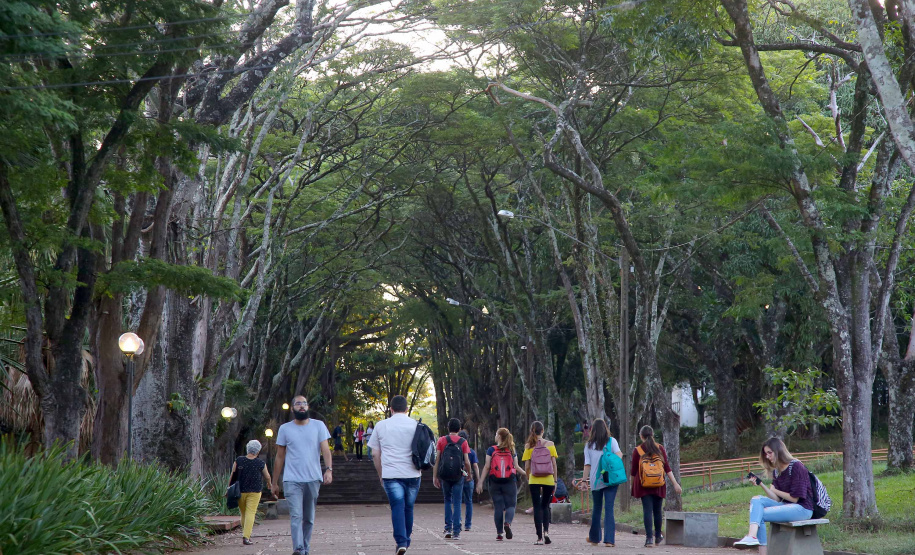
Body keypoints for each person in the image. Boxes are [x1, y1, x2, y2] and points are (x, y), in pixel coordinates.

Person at [271, 396, 333, 555]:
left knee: (309, 518)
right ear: (292, 409)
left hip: (313, 479)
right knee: (296, 515)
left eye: (304, 403)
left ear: (308, 407)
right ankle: (298, 548)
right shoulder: (285, 429)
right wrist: (274, 482)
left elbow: (325, 449)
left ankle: (305, 547)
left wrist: (329, 469)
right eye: (298, 404)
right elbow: (279, 456)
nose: (302, 406)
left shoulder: (318, 426)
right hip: (292, 480)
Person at [733, 437, 815, 553]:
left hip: (803, 509)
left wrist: (775, 490)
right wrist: (760, 483)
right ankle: (752, 536)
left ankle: (753, 539)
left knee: (759, 514)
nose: (767, 456)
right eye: (766, 454)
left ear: (778, 451)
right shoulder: (777, 471)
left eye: (769, 453)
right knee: (756, 500)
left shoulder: (797, 466)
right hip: (787, 505)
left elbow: (795, 499)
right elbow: (776, 499)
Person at [368, 395, 423, 555]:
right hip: (413, 473)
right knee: (409, 507)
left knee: (397, 506)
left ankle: (401, 541)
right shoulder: (416, 426)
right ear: (407, 409)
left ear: (390, 409)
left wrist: (381, 474)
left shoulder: (381, 425)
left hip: (391, 474)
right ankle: (407, 539)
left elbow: (375, 454)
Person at [630, 425, 682, 548]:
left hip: (643, 485)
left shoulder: (638, 450)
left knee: (647, 511)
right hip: (659, 484)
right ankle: (658, 537)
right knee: (657, 511)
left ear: (641, 436)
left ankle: (649, 539)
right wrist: (675, 484)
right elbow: (667, 468)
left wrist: (632, 485)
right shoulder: (660, 449)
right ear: (652, 435)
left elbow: (633, 471)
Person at [477, 427, 527, 541]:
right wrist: (526, 474)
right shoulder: (511, 450)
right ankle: (507, 523)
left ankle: (499, 533)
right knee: (511, 506)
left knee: (498, 507)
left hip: (494, 482)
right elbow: (516, 466)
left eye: (496, 434)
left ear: (499, 436)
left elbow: (487, 466)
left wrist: (480, 482)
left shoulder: (491, 450)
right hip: (509, 481)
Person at [583, 419, 623, 547]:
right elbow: (619, 456)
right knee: (609, 508)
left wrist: (584, 480)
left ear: (592, 430)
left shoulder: (589, 445)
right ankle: (609, 540)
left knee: (597, 508)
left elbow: (587, 465)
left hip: (596, 480)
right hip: (610, 478)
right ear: (605, 428)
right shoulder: (612, 441)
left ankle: (594, 538)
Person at [433, 417, 472, 540]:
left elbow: (437, 460)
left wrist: (435, 476)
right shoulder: (463, 442)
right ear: (459, 429)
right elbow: (467, 461)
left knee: (447, 500)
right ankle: (456, 532)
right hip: (458, 475)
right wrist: (469, 473)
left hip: (445, 475)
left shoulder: (442, 440)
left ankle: (448, 528)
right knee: (457, 502)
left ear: (448, 428)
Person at [522, 420, 558, 545]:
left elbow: (527, 466)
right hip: (548, 479)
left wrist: (528, 477)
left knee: (537, 507)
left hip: (534, 479)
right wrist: (555, 480)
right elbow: (554, 463)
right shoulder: (550, 444)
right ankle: (546, 532)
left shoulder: (529, 446)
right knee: (545, 506)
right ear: (542, 431)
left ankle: (539, 538)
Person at [231, 440, 272, 546]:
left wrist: (229, 487)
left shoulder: (239, 460)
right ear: (258, 451)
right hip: (255, 491)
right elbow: (267, 476)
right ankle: (246, 537)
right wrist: (269, 484)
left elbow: (233, 474)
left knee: (244, 513)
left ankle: (246, 534)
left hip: (240, 491)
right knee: (250, 513)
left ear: (247, 449)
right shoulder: (260, 463)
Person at [457, 430, 481, 531]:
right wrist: (479, 480)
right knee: (469, 501)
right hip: (469, 478)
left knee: (457, 501)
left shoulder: (456, 450)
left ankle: (458, 522)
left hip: (457, 478)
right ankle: (468, 524)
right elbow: (475, 466)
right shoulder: (471, 451)